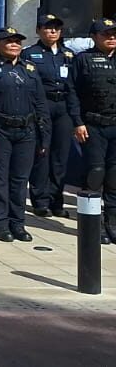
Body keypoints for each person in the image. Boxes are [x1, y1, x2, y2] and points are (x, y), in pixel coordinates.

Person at [0, 27, 48, 242]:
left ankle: (18, 223)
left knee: (20, 179)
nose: (14, 44)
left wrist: (44, 135)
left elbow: (40, 103)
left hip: (26, 130)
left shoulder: (30, 69)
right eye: (8, 41)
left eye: (17, 41)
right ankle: (1, 223)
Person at [23, 12, 79, 218]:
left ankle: (57, 200)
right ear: (38, 31)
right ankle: (40, 200)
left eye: (56, 27)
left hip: (62, 106)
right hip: (42, 105)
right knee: (42, 153)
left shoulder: (69, 54)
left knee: (60, 156)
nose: (52, 31)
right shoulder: (30, 54)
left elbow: (73, 86)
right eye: (47, 27)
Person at [72, 18, 116, 244]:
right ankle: (91, 224)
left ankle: (112, 223)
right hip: (93, 125)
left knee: (114, 177)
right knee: (95, 173)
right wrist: (77, 122)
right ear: (94, 37)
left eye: (114, 34)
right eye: (106, 34)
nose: (111, 37)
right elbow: (72, 92)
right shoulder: (83, 60)